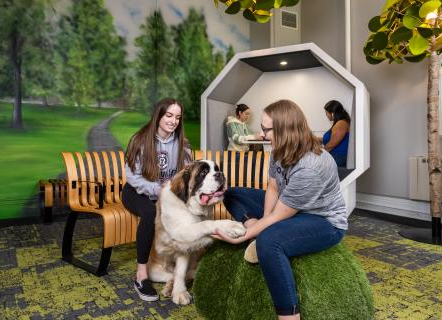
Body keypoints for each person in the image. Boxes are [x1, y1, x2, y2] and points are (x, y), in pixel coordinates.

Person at [213, 99, 347, 320]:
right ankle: (255, 224)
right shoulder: (278, 150)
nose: (262, 134)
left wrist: (244, 236)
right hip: (288, 208)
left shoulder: (311, 166)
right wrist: (260, 222)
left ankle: (289, 316)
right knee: (231, 193)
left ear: (284, 130)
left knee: (268, 242)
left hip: (323, 222)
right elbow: (273, 187)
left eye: (266, 129)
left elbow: (280, 214)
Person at [122, 98, 191, 302]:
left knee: (187, 211)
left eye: (177, 117)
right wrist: (157, 190)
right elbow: (132, 177)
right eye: (169, 115)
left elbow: (186, 174)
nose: (173, 121)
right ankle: (141, 275)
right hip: (136, 192)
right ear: (158, 115)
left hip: (165, 193)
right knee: (150, 212)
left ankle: (176, 269)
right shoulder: (141, 139)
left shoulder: (182, 144)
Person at [322, 100, 350, 167]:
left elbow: (331, 145)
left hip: (338, 158)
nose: (326, 115)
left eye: (326, 113)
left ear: (332, 113)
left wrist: (319, 154)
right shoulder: (339, 123)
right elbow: (331, 138)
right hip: (335, 157)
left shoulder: (341, 123)